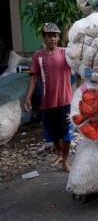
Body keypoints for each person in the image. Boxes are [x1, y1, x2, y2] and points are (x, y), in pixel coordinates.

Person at [24, 22, 73, 172]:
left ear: (58, 38)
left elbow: (80, 62)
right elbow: (34, 79)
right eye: (50, 36)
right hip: (47, 102)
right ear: (44, 37)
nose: (53, 39)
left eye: (56, 36)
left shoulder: (66, 53)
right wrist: (27, 98)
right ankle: (59, 153)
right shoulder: (38, 56)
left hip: (65, 101)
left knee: (67, 133)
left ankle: (65, 160)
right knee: (52, 133)